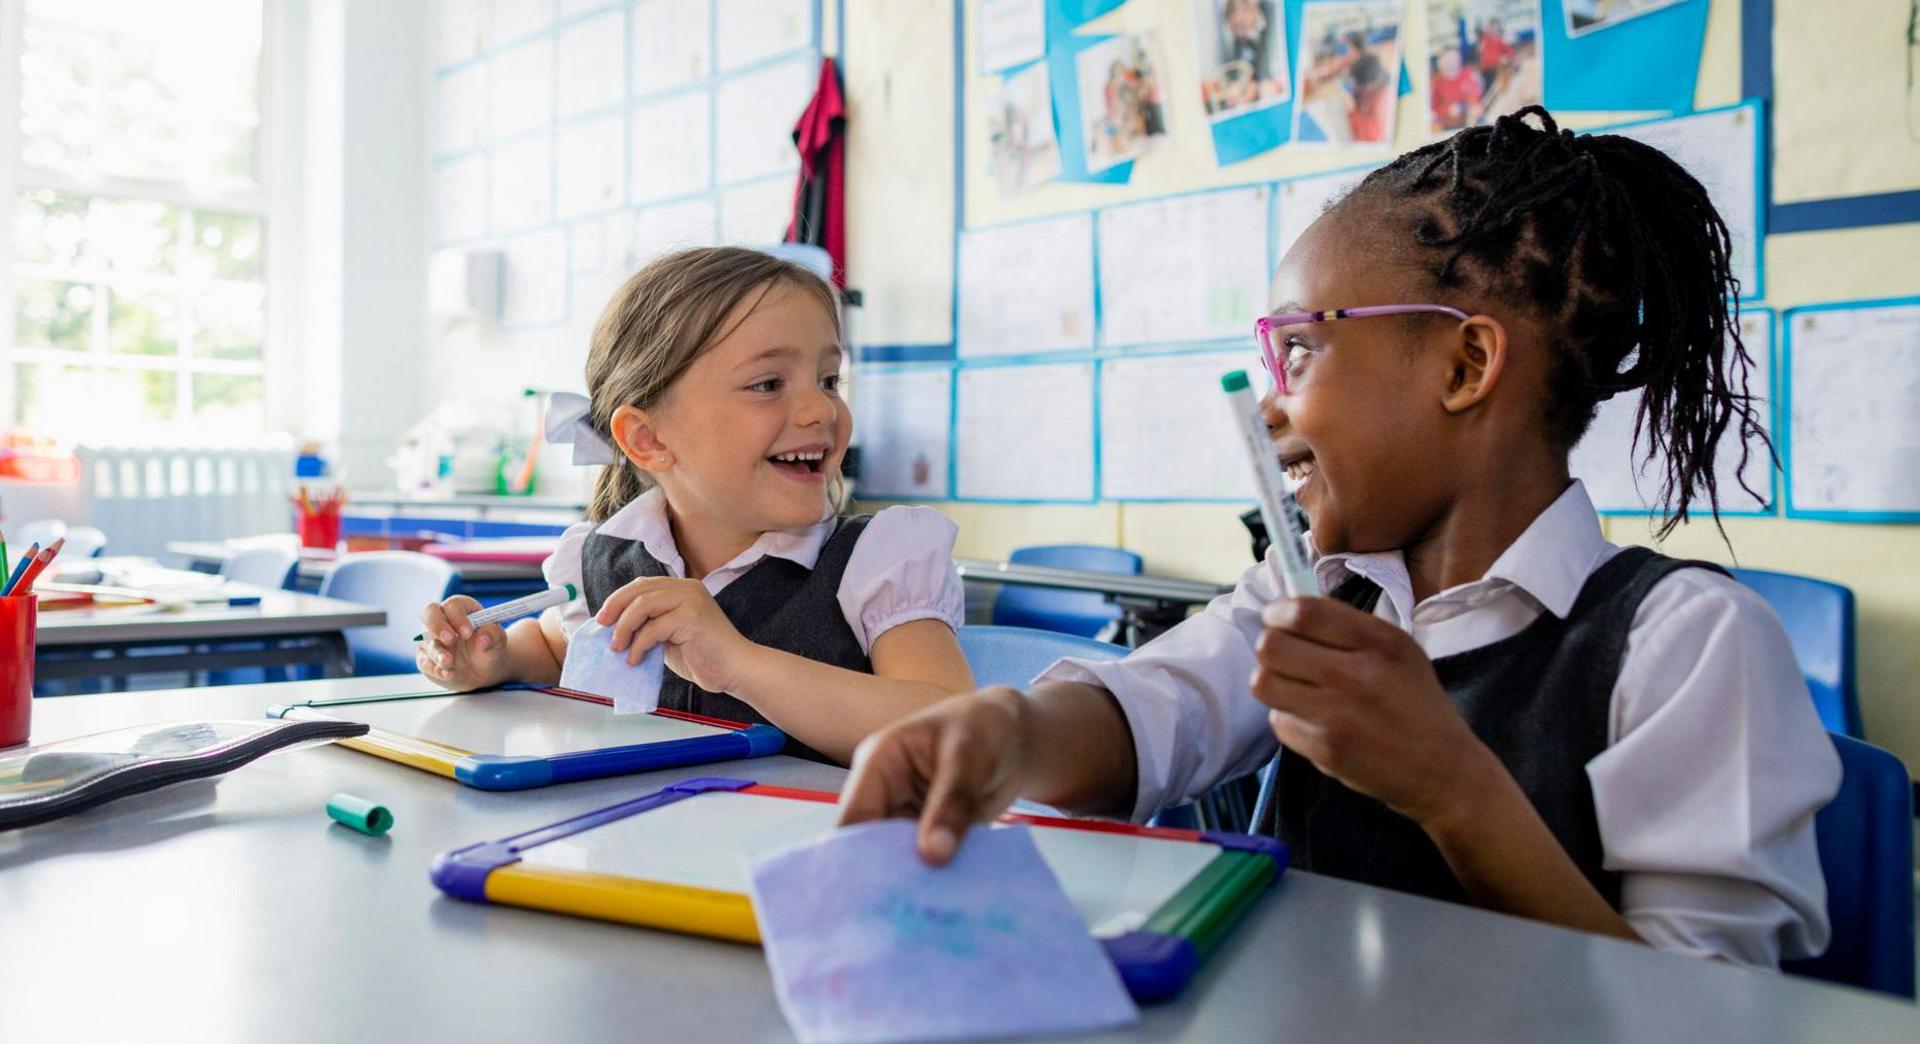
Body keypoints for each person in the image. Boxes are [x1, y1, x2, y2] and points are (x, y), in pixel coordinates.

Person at [839, 108, 1839, 970]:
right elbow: (1154, 712)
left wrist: (1453, 788)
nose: (1272, 408)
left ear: (1465, 364)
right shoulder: (1313, 589)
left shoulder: (1685, 644)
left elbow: (1708, 1026)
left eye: (1302, 351)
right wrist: (1011, 733)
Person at [418, 246, 974, 764]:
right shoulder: (609, 556)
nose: (821, 410)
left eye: (829, 379)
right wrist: (496, 657)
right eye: (767, 384)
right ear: (649, 440)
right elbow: (555, 644)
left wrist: (737, 663)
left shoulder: (879, 561)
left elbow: (955, 733)